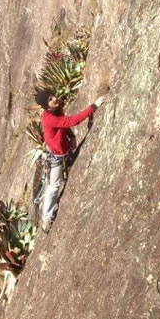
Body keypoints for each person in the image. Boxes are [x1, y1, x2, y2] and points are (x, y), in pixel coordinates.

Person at [34, 90, 105, 233]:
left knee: (63, 172)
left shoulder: (57, 108)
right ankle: (46, 218)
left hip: (63, 149)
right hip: (55, 155)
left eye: (53, 95)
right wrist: (93, 107)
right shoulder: (48, 118)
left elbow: (64, 126)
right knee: (54, 186)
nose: (55, 98)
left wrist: (71, 136)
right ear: (46, 106)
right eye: (50, 99)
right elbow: (70, 121)